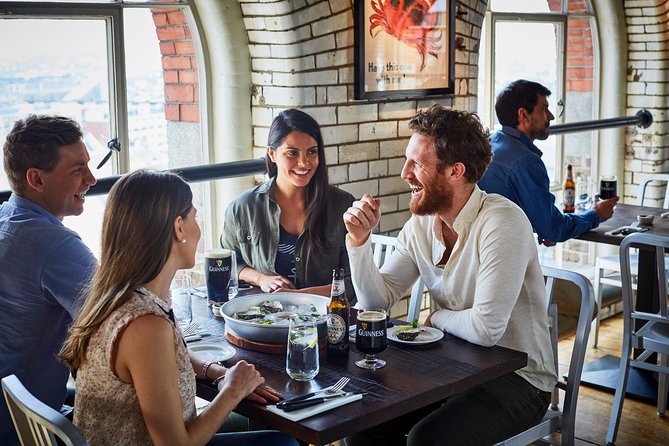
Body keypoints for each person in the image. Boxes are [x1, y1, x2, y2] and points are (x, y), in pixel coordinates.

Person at [342, 104, 557, 446]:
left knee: (427, 440)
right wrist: (359, 242)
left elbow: (486, 330)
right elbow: (375, 302)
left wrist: (439, 317)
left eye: (417, 163)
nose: (404, 173)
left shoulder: (503, 222)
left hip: (520, 379)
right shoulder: (421, 225)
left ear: (455, 170)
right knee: (363, 421)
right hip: (451, 366)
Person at [58, 170, 297, 446]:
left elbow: (159, 361)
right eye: (195, 217)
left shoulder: (119, 298)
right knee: (285, 442)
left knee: (283, 432)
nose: (199, 229)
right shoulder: (145, 327)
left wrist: (217, 372)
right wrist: (233, 390)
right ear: (178, 227)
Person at [0, 115, 98, 445]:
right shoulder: (56, 247)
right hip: (30, 430)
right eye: (77, 170)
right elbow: (123, 320)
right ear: (36, 180)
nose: (92, 179)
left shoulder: (5, 219)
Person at [222, 108, 355, 299]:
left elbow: (354, 283)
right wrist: (261, 279)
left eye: (312, 152)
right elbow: (228, 263)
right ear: (272, 154)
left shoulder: (344, 206)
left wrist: (298, 296)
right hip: (264, 320)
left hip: (326, 322)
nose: (304, 163)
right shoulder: (242, 208)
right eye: (292, 153)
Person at [478, 79, 619, 245]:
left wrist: (541, 225)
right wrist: (596, 215)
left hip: (481, 251)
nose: (551, 116)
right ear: (523, 114)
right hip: (505, 257)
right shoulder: (526, 161)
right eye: (544, 109)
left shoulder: (490, 141)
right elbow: (554, 229)